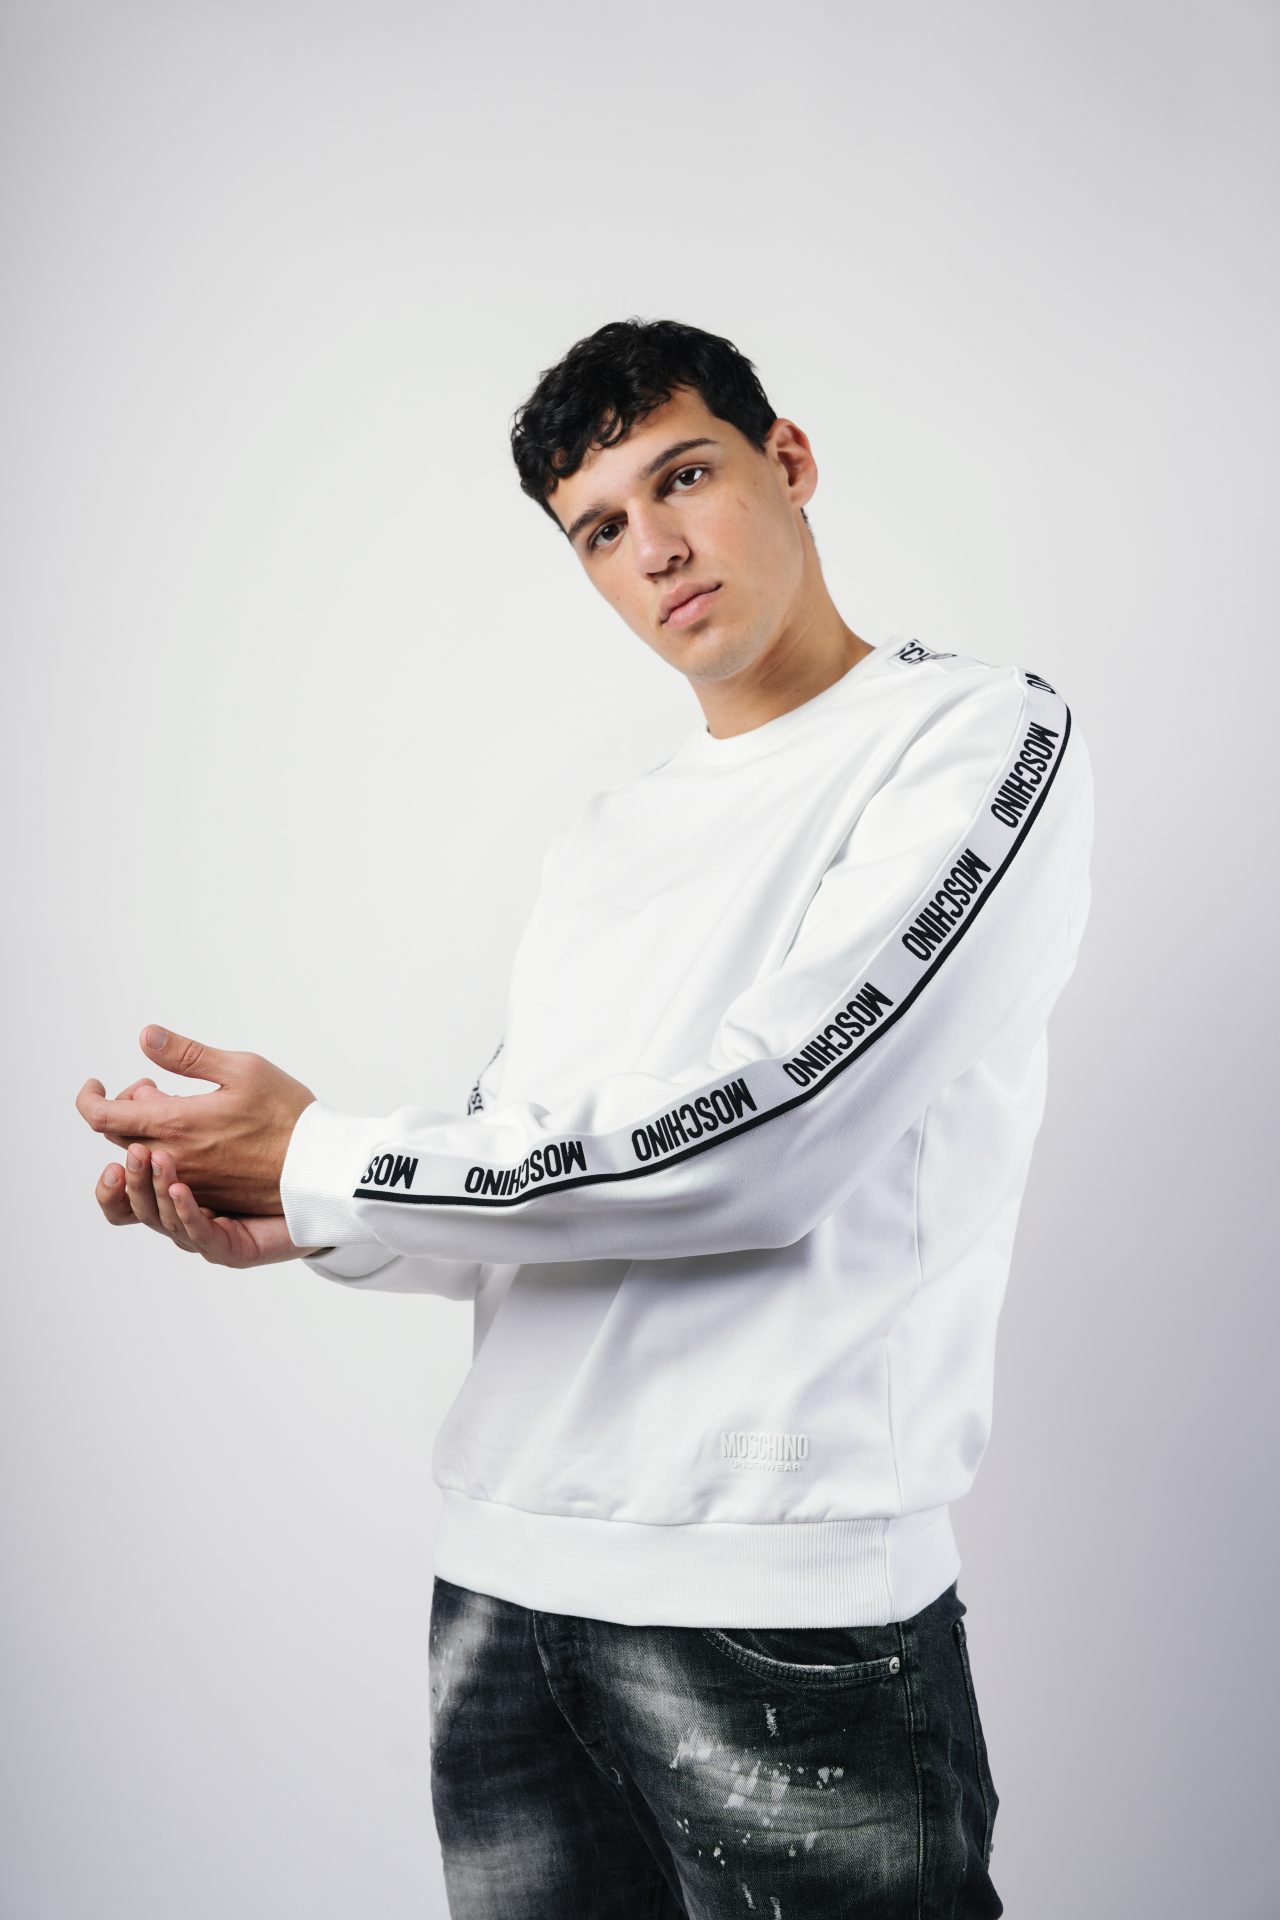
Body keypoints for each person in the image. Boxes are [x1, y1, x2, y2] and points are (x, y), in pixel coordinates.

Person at [79, 316, 1094, 1917]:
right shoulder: (608, 837)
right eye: (599, 530)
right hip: (503, 1598)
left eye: (682, 477)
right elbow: (541, 1161)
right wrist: (301, 1211)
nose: (656, 550)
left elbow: (765, 1142)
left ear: (790, 460)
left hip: (780, 1612)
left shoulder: (972, 737)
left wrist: (332, 1155)